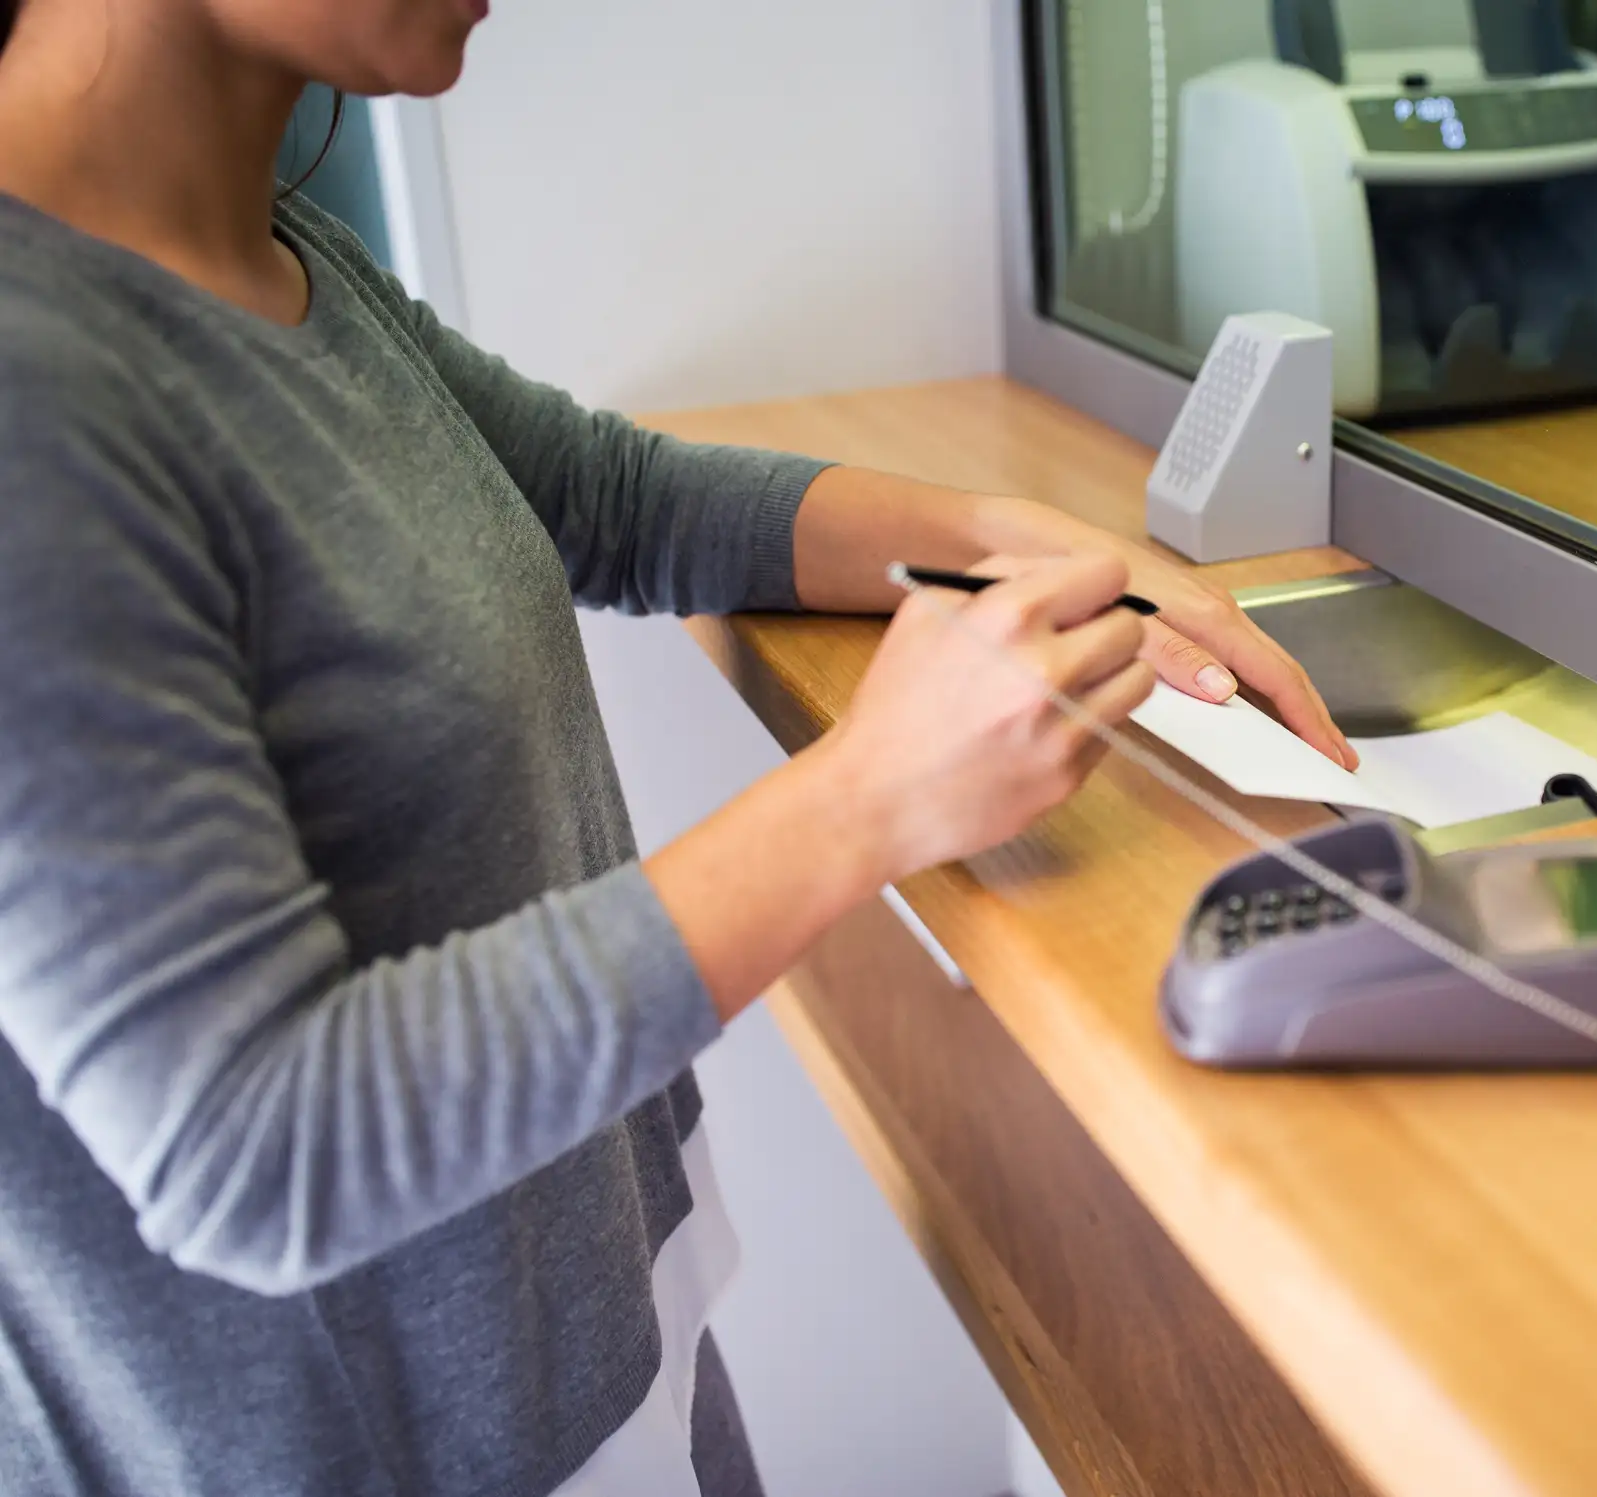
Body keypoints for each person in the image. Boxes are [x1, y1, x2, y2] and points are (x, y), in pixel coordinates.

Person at [0, 2, 1356, 1493]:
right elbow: (259, 1150)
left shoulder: (261, 242)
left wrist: (1010, 541)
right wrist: (867, 799)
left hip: (568, 1354)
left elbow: (602, 497)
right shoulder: (35, 396)